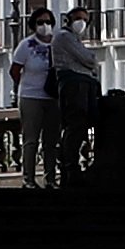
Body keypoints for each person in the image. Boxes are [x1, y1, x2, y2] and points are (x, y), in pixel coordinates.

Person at [49, 11, 105, 178]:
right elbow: (88, 59)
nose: (82, 23)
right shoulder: (64, 37)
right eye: (79, 18)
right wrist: (90, 60)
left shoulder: (74, 39)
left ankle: (71, 164)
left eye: (86, 20)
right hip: (74, 84)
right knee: (75, 124)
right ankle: (69, 166)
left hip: (83, 84)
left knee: (81, 125)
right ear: (69, 19)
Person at [8, 10, 58, 187]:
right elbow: (14, 70)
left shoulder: (57, 43)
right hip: (31, 96)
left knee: (51, 140)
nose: (45, 25)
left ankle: (50, 178)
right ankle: (28, 178)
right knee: (31, 140)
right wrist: (25, 84)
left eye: (48, 21)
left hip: (53, 97)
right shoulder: (26, 45)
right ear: (33, 25)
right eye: (40, 22)